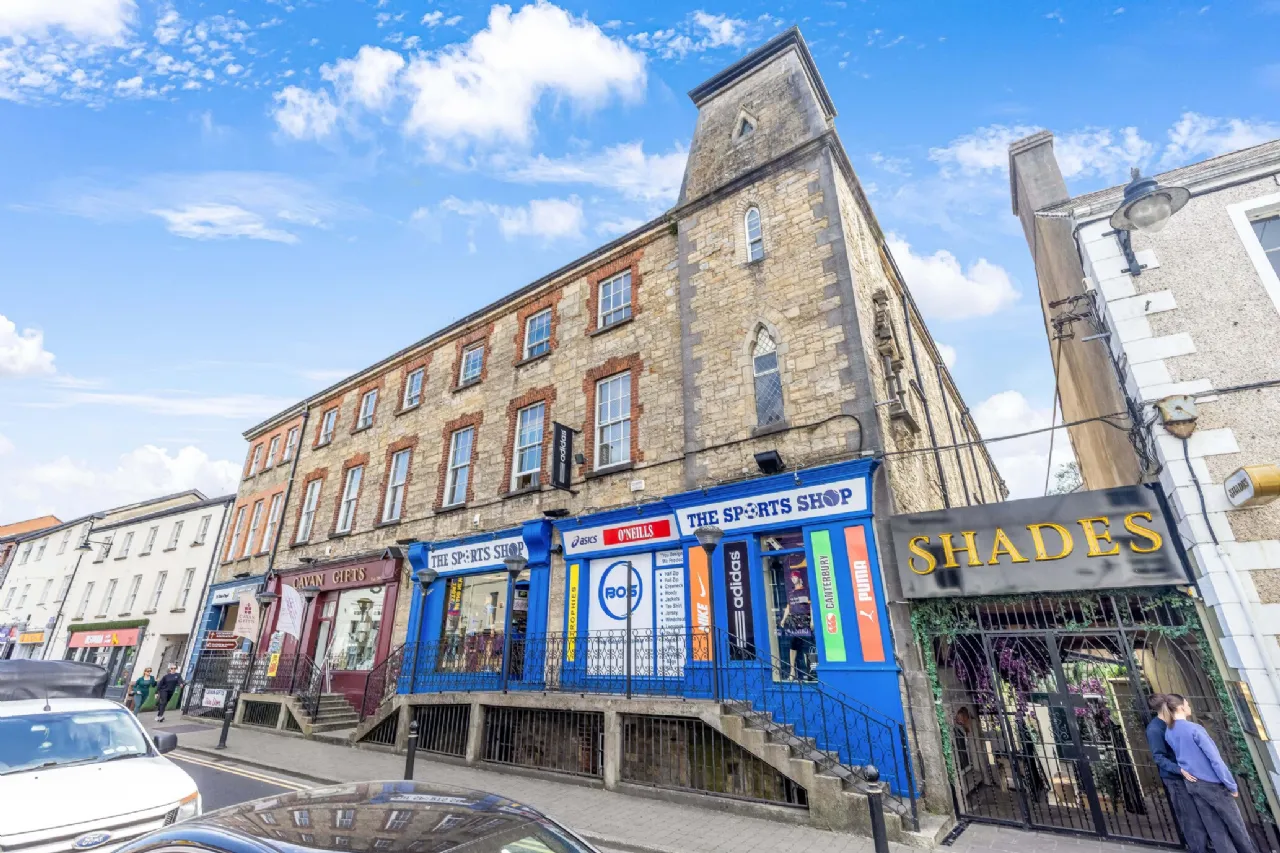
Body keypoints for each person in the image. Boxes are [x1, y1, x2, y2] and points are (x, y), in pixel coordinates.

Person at [1164, 693, 1258, 853]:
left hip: (1193, 784)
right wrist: (1231, 784)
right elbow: (1215, 759)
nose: (1189, 706)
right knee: (1236, 826)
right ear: (1180, 707)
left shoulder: (1169, 731)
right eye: (1187, 704)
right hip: (1212, 784)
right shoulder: (1195, 729)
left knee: (1215, 829)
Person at [1147, 694, 1208, 853]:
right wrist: (1179, 769)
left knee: (1199, 813)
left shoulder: (1174, 723)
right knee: (1189, 817)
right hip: (1175, 778)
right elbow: (1159, 757)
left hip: (1191, 775)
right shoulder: (1155, 729)